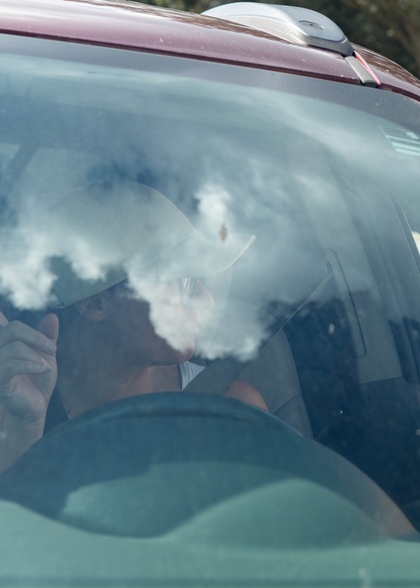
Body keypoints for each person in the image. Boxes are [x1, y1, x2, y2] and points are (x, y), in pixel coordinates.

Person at [0, 182, 266, 474]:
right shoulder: (14, 400)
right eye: (182, 281)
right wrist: (24, 428)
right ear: (96, 305)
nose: (205, 298)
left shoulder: (229, 409)